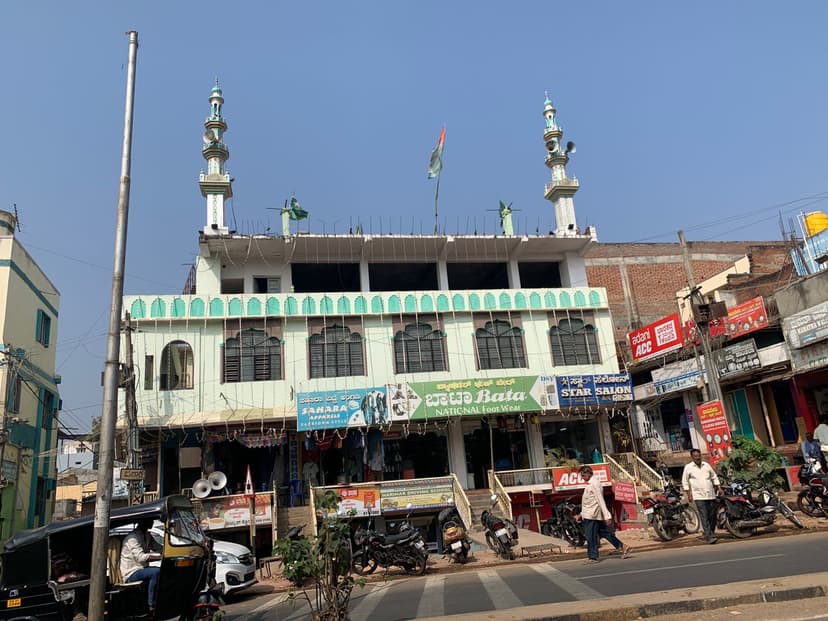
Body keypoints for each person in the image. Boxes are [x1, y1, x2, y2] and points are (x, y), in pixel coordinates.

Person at [576, 465, 631, 563]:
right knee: (604, 533)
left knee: (591, 536)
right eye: (582, 475)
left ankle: (593, 557)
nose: (582, 477)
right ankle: (623, 546)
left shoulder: (595, 484)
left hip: (592, 516)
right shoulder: (589, 484)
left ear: (589, 473)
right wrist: (581, 514)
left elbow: (600, 500)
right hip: (590, 514)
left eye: (583, 475)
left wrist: (607, 516)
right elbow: (588, 503)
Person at [120, 518, 162, 613]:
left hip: (142, 569)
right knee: (156, 572)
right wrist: (160, 557)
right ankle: (151, 604)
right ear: (143, 522)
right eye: (150, 520)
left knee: (162, 570)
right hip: (131, 572)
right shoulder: (132, 538)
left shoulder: (147, 535)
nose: (151, 522)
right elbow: (141, 558)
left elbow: (158, 547)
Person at [681, 448, 722, 544]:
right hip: (698, 496)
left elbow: (714, 476)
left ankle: (711, 532)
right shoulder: (688, 467)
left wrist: (719, 487)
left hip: (710, 494)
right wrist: (689, 494)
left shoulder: (706, 465)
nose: (697, 458)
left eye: (699, 456)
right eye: (695, 456)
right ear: (692, 457)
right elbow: (685, 482)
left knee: (712, 515)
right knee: (704, 515)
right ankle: (709, 537)